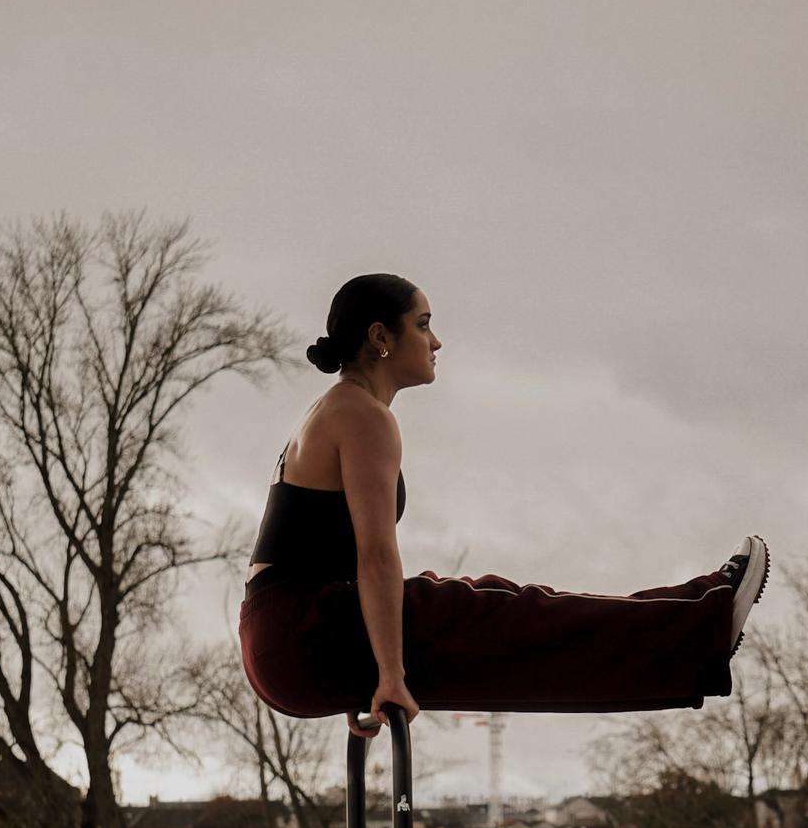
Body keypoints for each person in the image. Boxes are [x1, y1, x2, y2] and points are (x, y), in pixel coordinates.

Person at [240, 274, 768, 739]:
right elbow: (376, 557)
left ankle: (690, 648)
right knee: (505, 618)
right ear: (380, 337)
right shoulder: (360, 414)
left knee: (498, 621)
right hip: (298, 633)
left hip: (286, 642)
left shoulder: (335, 410)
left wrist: (354, 680)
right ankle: (706, 618)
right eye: (423, 324)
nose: (436, 340)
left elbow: (314, 551)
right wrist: (389, 675)